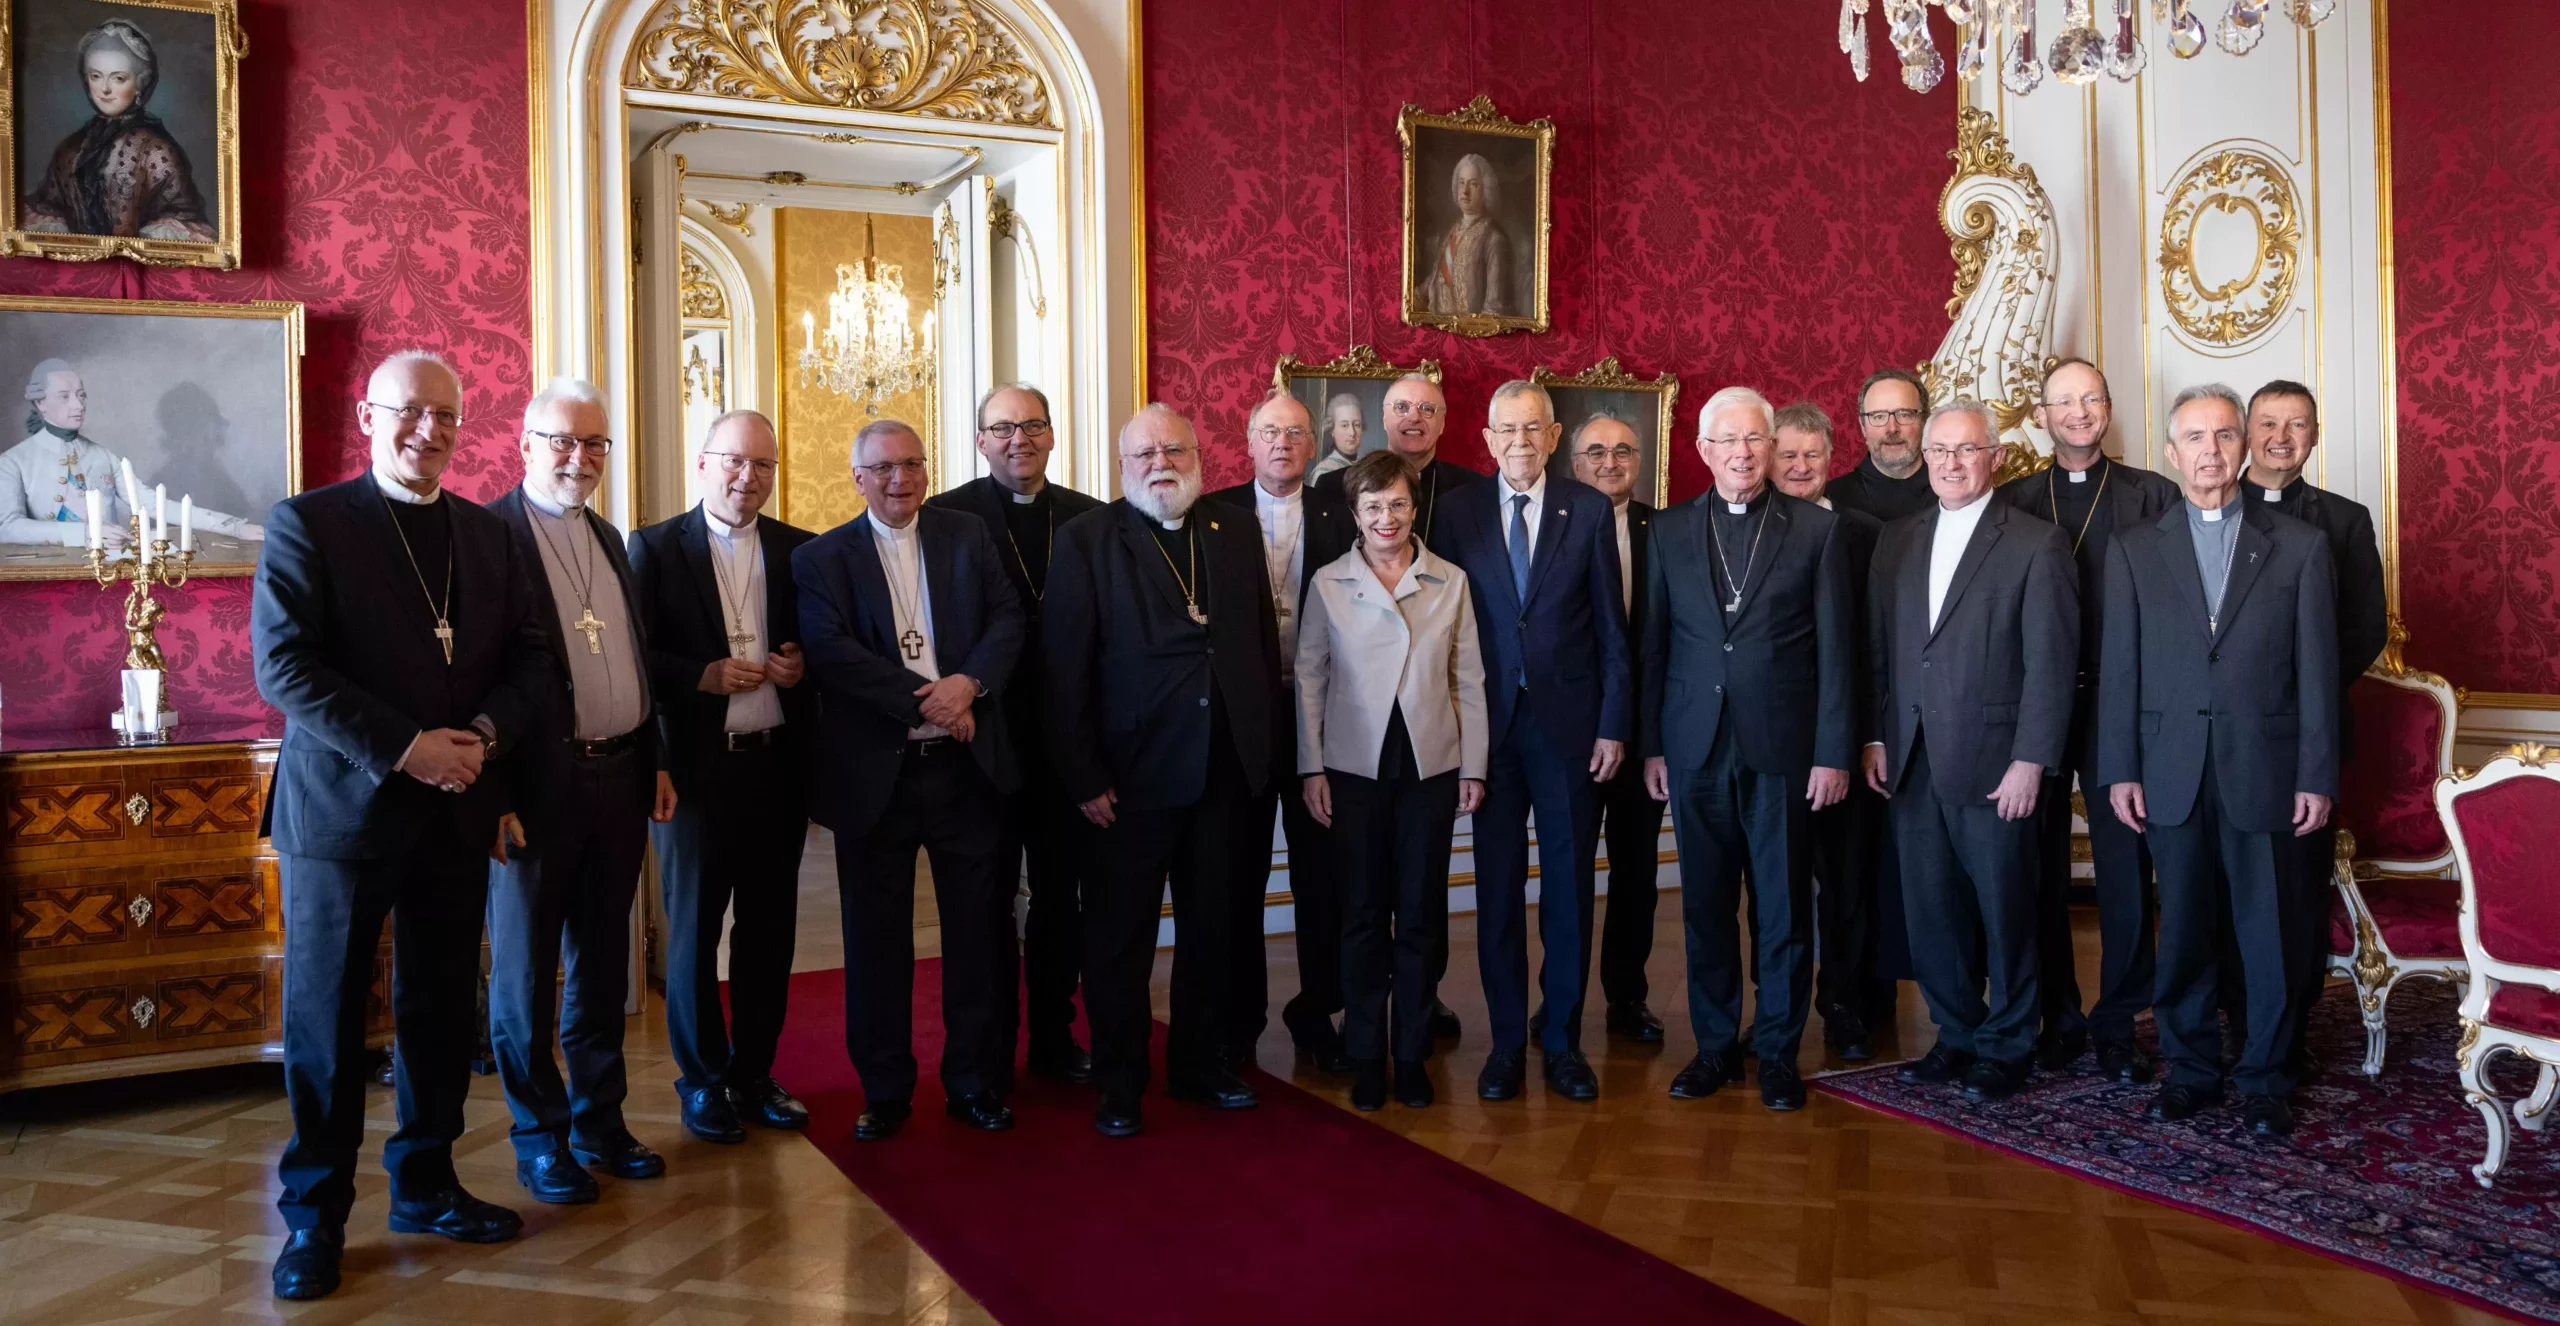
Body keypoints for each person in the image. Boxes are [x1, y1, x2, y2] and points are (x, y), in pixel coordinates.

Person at [251, 351, 551, 1300]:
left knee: (439, 1008)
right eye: (410, 411)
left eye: (446, 415)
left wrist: (484, 739)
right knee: (327, 1018)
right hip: (343, 815)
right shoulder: (309, 522)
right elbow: (285, 667)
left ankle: (426, 1183)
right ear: (367, 416)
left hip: (455, 807)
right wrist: (408, 748)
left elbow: (532, 658)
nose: (430, 430)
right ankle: (315, 1216)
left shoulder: (487, 533)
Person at [2101, 384, 2338, 1138]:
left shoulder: (2299, 546)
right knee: (2185, 934)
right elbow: (2121, 670)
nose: (2211, 451)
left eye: (2224, 435)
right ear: (2172, 454)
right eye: (2195, 438)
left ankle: (2267, 1078)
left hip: (2265, 770)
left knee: (2268, 935)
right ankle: (2192, 1070)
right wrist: (2121, 768)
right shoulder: (2134, 548)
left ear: (2243, 447)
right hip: (2170, 770)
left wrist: (2316, 774)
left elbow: (2318, 672)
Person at [1046, 404, 1286, 1137]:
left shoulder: (1234, 528)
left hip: (1224, 773)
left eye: (1174, 450)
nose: (1161, 463)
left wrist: (1261, 753)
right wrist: (1083, 775)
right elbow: (1064, 670)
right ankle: (1120, 1085)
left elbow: (1259, 647)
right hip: (1128, 782)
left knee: (1215, 931)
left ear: (1198, 457)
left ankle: (1199, 1066)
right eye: (1145, 453)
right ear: (1123, 466)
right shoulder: (1088, 539)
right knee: (1120, 942)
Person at [797, 419, 1025, 1142]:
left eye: (913, 464)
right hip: (878, 778)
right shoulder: (821, 557)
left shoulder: (967, 535)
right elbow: (830, 651)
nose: (901, 479)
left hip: (965, 772)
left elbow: (1008, 618)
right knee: (876, 942)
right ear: (858, 478)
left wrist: (970, 684)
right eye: (884, 468)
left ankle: (974, 1083)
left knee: (976, 936)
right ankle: (886, 1091)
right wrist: (930, 700)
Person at [483, 378, 677, 1205]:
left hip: (620, 776)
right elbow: (477, 679)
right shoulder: (488, 537)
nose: (580, 458)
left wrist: (655, 757)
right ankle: (540, 1138)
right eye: (563, 441)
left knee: (602, 966)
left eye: (595, 443)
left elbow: (633, 656)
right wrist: (493, 793)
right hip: (535, 787)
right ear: (527, 444)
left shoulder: (607, 535)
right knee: (525, 975)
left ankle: (601, 1121)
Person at [1641, 389, 1854, 1111]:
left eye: (1754, 440)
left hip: (1784, 749)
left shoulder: (1817, 531)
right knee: (1705, 906)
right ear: (1703, 450)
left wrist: (1833, 752)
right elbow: (1655, 646)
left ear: (1771, 446)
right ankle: (1712, 1047)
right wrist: (1653, 746)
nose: (1742, 453)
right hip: (1694, 746)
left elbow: (1837, 652)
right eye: (1727, 441)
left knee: (1784, 907)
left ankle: (1778, 1054)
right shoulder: (1669, 529)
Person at [1863, 400, 2077, 1104]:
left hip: (1996, 763)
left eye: (1967, 450)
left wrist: (2031, 760)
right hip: (1911, 758)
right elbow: (1881, 650)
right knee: (1931, 910)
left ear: (1996, 458)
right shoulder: (1896, 540)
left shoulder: (2037, 544)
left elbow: (2051, 665)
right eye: (1940, 451)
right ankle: (1955, 1033)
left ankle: (2009, 1043)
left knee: (2006, 910)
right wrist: (1875, 736)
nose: (1951, 463)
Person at [1435, 380, 1630, 1102]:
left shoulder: (1587, 509)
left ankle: (1564, 1042)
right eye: (1507, 430)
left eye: (1533, 429)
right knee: (1496, 892)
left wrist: (1613, 723)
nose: (1520, 441)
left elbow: (1612, 628)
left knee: (1570, 890)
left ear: (1553, 437)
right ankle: (1506, 1044)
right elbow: (1443, 629)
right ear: (1488, 440)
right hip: (1488, 733)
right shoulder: (1455, 513)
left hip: (1570, 731)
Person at [627, 410, 816, 1145]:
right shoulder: (654, 547)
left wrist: (800, 667)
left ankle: (755, 1074)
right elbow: (634, 660)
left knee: (770, 934)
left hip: (776, 767)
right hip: (697, 775)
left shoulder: (798, 549)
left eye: (763, 465)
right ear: (704, 464)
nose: (748, 477)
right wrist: (698, 676)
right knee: (694, 935)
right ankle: (703, 1082)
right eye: (735, 461)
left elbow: (822, 645)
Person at [1994, 359, 2179, 1083]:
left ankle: (2119, 1021)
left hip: (2119, 702)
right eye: (2063, 402)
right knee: (2035, 862)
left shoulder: (2152, 494)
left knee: (2125, 864)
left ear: (2108, 407)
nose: (2077, 412)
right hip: (2034, 704)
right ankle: (2057, 1015)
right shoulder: (2012, 500)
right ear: (2041, 415)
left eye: (2090, 399)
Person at [1297, 451, 1488, 1110]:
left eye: (1398, 504)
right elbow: (1310, 679)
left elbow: (1469, 679)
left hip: (1430, 768)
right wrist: (1311, 765)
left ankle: (1410, 1053)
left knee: (1421, 914)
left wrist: (1474, 765)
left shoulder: (1451, 581)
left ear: (1415, 508)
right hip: (1354, 769)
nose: (1387, 517)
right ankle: (1364, 1055)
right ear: (1355, 513)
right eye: (1373, 506)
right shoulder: (1328, 582)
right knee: (1360, 914)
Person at [925, 383, 1104, 1086]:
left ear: (1051, 435)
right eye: (1002, 429)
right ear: (981, 441)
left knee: (1061, 900)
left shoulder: (1090, 518)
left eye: (1031, 426)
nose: (1018, 440)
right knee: (986, 904)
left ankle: (1054, 1037)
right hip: (983, 742)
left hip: (1065, 745)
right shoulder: (947, 518)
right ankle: (989, 1052)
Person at [2242, 378, 2388, 1076]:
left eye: (2296, 425)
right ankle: (2230, 1026)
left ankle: (2288, 1036)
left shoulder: (2345, 520)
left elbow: (2364, 628)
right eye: (2268, 423)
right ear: (2246, 433)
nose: (2281, 437)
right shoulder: (2209, 508)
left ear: (2315, 436)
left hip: (2306, 737)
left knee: (2297, 895)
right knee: (2222, 896)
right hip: (2218, 738)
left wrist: (2294, 690)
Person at [1207, 392, 1356, 1073]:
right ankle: (1238, 1020)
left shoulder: (1341, 511)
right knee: (1236, 875)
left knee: (1323, 878)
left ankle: (1317, 1012)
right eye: (1270, 432)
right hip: (1240, 723)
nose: (1283, 443)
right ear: (1249, 441)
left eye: (1296, 433)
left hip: (1322, 719)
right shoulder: (1213, 514)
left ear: (1312, 443)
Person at [1770, 402, 1895, 1057]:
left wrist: (1870, 736)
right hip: (1771, 745)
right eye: (1787, 455)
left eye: (1811, 455)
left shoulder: (1863, 533)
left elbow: (1877, 647)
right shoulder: (1746, 528)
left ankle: (1843, 1006)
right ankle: (1774, 1013)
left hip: (1846, 741)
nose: (1799, 466)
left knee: (1848, 885)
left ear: (1830, 458)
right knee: (1774, 888)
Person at [1570, 413, 1667, 1045]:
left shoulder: (1664, 532)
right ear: (1574, 462)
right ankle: (1561, 1002)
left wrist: (1656, 739)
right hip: (1576, 732)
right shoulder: (1557, 526)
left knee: (1636, 874)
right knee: (1570, 872)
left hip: (1644, 732)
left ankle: (1627, 998)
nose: (1611, 461)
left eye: (1624, 450)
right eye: (1597, 451)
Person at [0, 359, 262, 547]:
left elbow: (152, 504)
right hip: (49, 577)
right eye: (64, 397)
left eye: (81, 395)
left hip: (109, 573)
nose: (78, 405)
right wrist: (85, 534)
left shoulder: (103, 457)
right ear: (40, 403)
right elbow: (7, 527)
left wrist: (234, 527)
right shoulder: (13, 462)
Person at [19, 20, 216, 240]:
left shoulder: (157, 150)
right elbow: (50, 208)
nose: (104, 89)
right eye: (96, 76)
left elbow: (181, 220)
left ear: (140, 84)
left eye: (118, 78)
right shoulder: (71, 149)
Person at [1827, 370, 1937, 524]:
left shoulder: (1953, 493)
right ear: (1863, 427)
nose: (1892, 428)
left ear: (1925, 422)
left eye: (1904, 414)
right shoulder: (1831, 499)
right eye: (1878, 416)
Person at [1421, 154, 1513, 317]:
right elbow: (1438, 278)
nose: (1465, 191)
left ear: (1486, 190)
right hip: (1439, 326)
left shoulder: (1494, 239)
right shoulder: (1453, 232)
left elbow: (1494, 308)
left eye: (1473, 184)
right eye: (1462, 183)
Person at [1309, 392, 1365, 483]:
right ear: (1332, 430)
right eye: (1344, 425)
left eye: (1357, 425)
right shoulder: (1323, 473)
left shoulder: (1366, 466)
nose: (1352, 433)